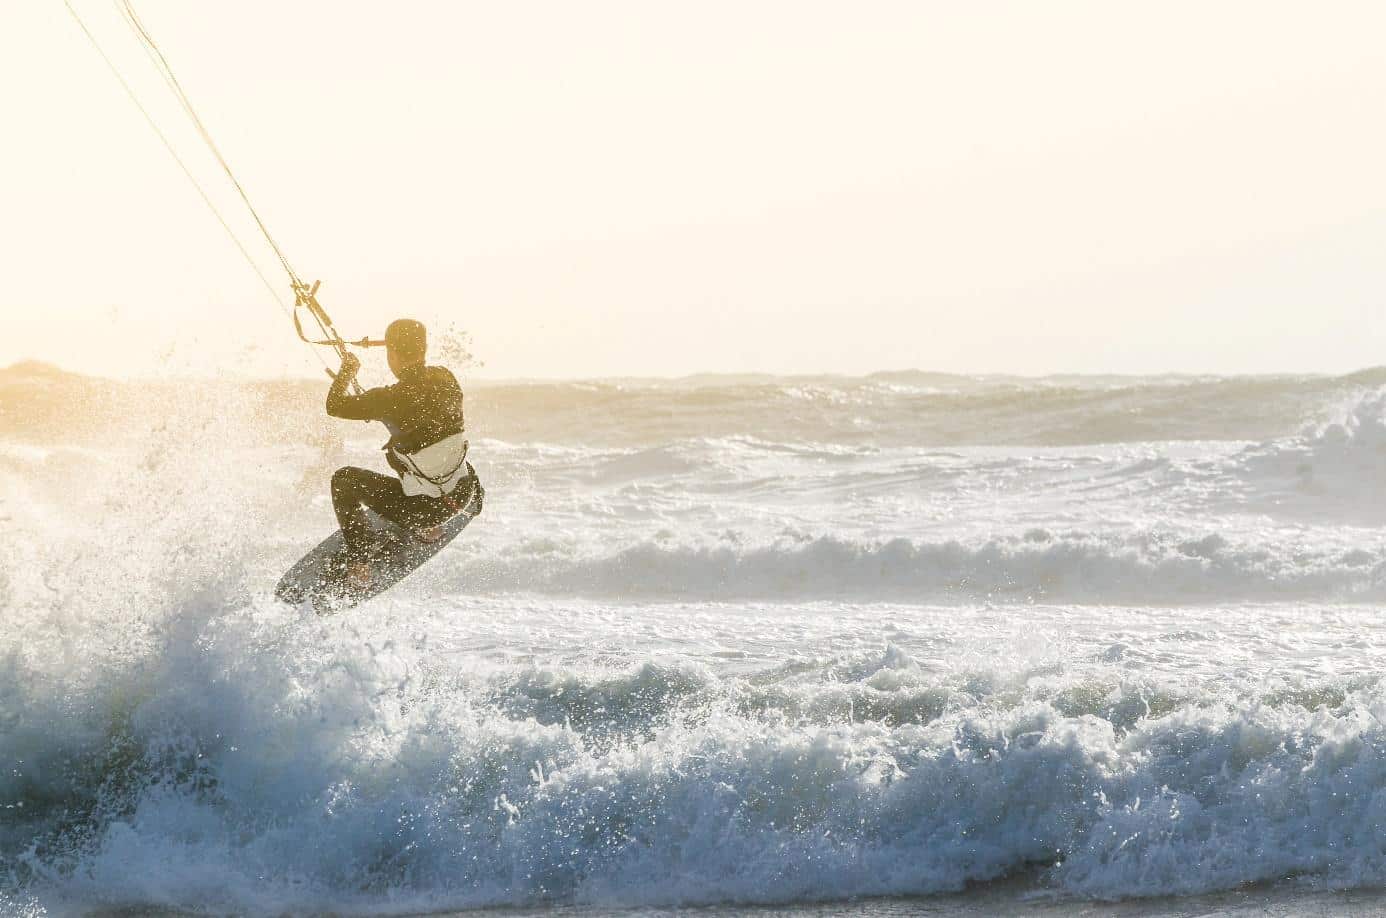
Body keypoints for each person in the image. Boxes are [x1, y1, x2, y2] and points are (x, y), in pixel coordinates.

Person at [325, 318, 482, 587]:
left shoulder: (388, 399)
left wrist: (347, 372)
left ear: (392, 354)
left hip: (426, 509)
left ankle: (360, 560)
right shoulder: (446, 377)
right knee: (412, 446)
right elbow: (419, 414)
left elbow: (335, 405)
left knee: (344, 480)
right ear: (423, 349)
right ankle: (438, 522)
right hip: (466, 491)